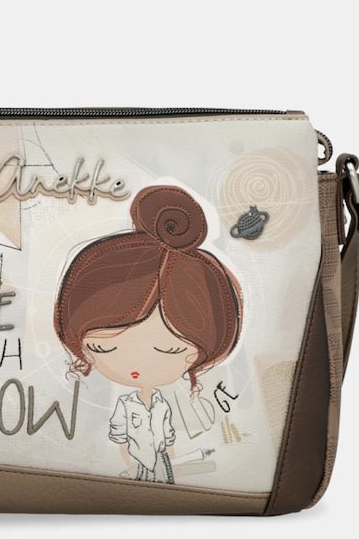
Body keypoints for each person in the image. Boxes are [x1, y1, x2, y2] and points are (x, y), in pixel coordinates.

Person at [54, 185, 242, 483]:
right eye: (103, 349)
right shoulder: (126, 406)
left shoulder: (162, 406)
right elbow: (120, 435)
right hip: (137, 460)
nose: (135, 365)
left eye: (169, 350)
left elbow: (165, 434)